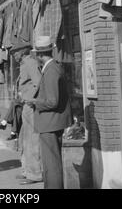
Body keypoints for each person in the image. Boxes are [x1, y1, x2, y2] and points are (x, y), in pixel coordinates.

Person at [29, 35, 73, 189]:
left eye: (36, 54)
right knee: (50, 163)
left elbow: (52, 101)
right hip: (52, 122)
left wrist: (34, 102)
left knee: (51, 164)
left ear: (39, 55)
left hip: (50, 123)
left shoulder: (51, 70)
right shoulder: (51, 68)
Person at [13, 44, 42, 185]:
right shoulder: (25, 63)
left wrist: (33, 100)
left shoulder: (30, 63)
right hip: (25, 105)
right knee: (25, 139)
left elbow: (39, 83)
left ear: (22, 51)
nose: (13, 55)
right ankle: (26, 170)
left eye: (15, 52)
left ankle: (35, 173)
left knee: (32, 139)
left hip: (31, 106)